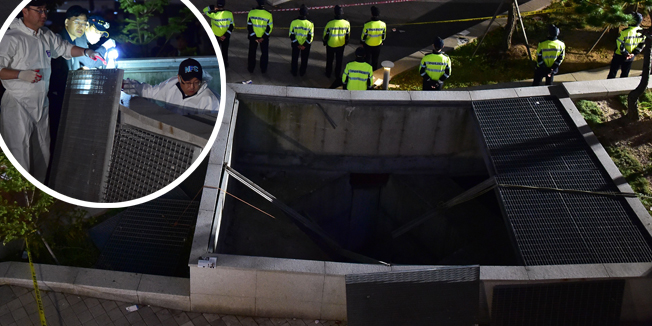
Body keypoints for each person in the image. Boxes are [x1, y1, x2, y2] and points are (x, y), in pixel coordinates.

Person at [0, 0, 103, 182]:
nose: (44, 15)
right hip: (17, 103)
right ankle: (17, 200)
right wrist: (20, 74)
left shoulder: (46, 35)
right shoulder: (11, 38)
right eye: (39, 10)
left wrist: (87, 52)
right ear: (24, 11)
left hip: (41, 103)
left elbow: (65, 48)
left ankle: (38, 195)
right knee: (19, 153)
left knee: (42, 154)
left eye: (45, 10)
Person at [122, 58, 220, 112]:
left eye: (196, 82)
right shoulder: (171, 85)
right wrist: (126, 85)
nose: (192, 87)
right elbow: (150, 92)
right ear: (179, 78)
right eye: (187, 83)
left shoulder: (211, 99)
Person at [607, 12, 645, 79]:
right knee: (625, 74)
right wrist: (633, 54)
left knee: (613, 72)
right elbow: (641, 45)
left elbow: (620, 44)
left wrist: (625, 53)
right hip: (631, 57)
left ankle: (608, 86)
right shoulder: (642, 32)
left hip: (619, 55)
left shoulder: (625, 32)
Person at [203, 0, 234, 67]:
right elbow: (231, 26)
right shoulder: (229, 13)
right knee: (225, 51)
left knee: (214, 51)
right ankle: (225, 64)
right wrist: (225, 35)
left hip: (215, 35)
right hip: (226, 36)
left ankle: (214, 64)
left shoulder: (213, 15)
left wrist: (212, 7)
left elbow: (205, 10)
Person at [323, 5, 350, 78]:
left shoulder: (330, 23)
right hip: (341, 44)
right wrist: (346, 41)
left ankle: (328, 73)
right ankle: (337, 74)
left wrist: (324, 41)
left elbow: (325, 34)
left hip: (331, 44)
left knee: (329, 60)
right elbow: (347, 34)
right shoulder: (346, 23)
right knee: (339, 60)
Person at [247, 0, 273, 73]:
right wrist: (263, 37)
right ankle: (263, 69)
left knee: (252, 53)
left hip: (253, 37)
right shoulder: (268, 14)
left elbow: (249, 26)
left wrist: (254, 36)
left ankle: (251, 68)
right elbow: (269, 28)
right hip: (263, 38)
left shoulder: (251, 12)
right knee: (264, 53)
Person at [289, 4, 314, 77]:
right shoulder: (310, 23)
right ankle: (302, 72)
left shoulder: (294, 22)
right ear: (307, 13)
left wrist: (297, 44)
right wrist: (305, 45)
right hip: (305, 45)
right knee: (304, 59)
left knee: (294, 58)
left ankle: (294, 71)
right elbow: (311, 36)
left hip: (295, 44)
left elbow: (291, 34)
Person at [361, 6, 386, 71]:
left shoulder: (367, 24)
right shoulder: (383, 24)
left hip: (368, 45)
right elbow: (383, 35)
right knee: (375, 60)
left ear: (371, 14)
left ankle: (366, 71)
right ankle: (374, 72)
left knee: (367, 59)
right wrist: (382, 41)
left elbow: (364, 35)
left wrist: (362, 42)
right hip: (378, 44)